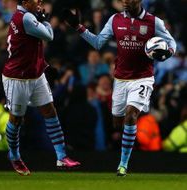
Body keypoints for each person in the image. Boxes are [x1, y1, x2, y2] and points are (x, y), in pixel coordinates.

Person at [62, 0, 176, 176]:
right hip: (121, 80)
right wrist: (79, 27)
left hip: (142, 79)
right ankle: (124, 145)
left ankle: (123, 164)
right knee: (117, 123)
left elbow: (172, 44)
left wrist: (166, 52)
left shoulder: (154, 22)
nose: (124, 2)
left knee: (131, 115)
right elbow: (99, 43)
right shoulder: (115, 19)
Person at [2, 0, 80, 176]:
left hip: (35, 73)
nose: (39, 2)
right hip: (17, 77)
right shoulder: (26, 18)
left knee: (50, 111)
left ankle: (61, 156)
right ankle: (14, 155)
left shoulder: (24, 15)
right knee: (16, 119)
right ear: (26, 2)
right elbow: (49, 35)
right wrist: (45, 20)